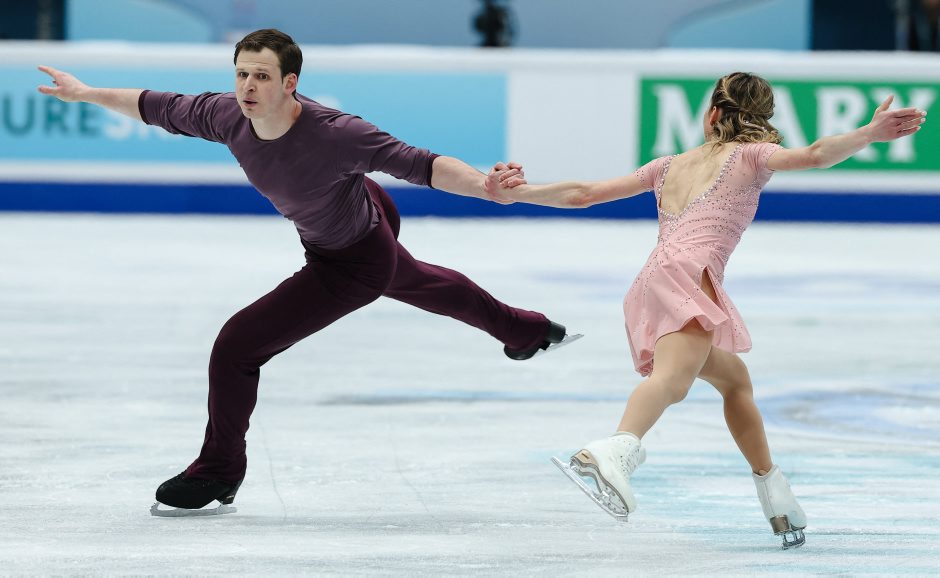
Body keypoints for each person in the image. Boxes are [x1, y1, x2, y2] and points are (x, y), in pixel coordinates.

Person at [37, 28, 575, 515]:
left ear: (289, 82)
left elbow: (423, 164)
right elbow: (155, 105)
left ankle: (219, 470)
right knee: (418, 280)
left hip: (352, 258)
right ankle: (525, 329)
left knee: (236, 346)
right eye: (241, 74)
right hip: (357, 217)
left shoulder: (338, 134)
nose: (248, 86)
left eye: (261, 76)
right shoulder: (227, 115)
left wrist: (485, 185)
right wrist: (85, 93)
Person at [493, 72, 927, 548]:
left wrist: (517, 192)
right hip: (689, 277)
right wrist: (869, 133)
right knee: (670, 382)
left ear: (714, 113)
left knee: (734, 380)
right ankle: (613, 450)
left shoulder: (668, 165)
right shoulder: (754, 155)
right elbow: (817, 154)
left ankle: (774, 493)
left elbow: (583, 194)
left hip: (654, 278)